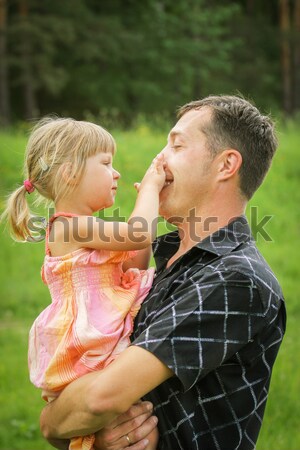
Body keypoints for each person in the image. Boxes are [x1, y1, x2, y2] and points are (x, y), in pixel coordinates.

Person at [38, 95, 286, 450]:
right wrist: (78, 431)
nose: (160, 158)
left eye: (177, 144)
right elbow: (69, 416)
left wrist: (61, 424)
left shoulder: (236, 278)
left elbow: (97, 401)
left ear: (226, 165)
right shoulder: (166, 262)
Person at [3, 117, 167, 450]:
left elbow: (136, 259)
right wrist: (150, 190)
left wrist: (152, 211)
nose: (116, 173)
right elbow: (139, 232)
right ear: (70, 173)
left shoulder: (88, 227)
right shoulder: (67, 227)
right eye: (106, 163)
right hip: (89, 342)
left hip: (104, 330)